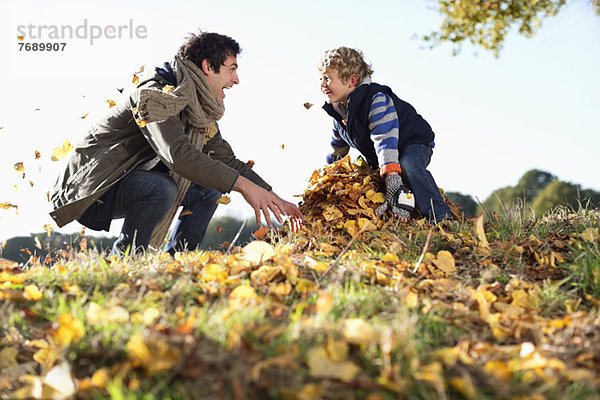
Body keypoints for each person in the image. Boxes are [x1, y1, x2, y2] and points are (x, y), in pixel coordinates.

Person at [49, 31, 302, 255]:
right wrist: (245, 187)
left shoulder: (195, 109)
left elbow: (225, 160)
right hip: (94, 190)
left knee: (209, 189)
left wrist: (272, 197)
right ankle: (125, 257)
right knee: (161, 187)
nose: (237, 79)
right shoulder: (156, 96)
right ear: (208, 67)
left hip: (132, 182)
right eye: (232, 69)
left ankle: (177, 259)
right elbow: (177, 155)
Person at [318, 47, 451, 223]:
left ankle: (440, 216)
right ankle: (404, 211)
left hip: (412, 142)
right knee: (372, 178)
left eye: (328, 78)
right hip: (382, 155)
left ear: (351, 80)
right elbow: (337, 149)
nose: (322, 85)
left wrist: (392, 175)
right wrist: (327, 175)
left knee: (408, 164)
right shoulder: (339, 115)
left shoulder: (376, 99)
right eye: (321, 78)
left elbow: (384, 138)